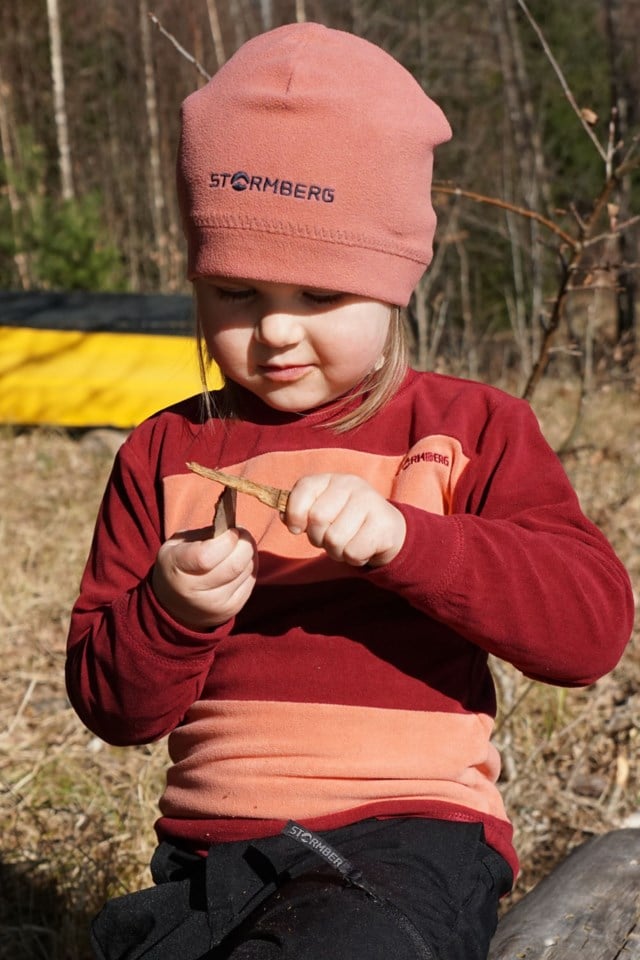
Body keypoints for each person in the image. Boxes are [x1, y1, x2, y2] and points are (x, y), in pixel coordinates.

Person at [66, 21, 634, 960]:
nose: (276, 334)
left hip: (406, 842)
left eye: (320, 297)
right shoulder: (165, 453)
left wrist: (414, 542)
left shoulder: (469, 432)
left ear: (397, 281)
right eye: (236, 294)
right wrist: (171, 606)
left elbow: (589, 631)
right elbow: (112, 706)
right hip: (205, 855)